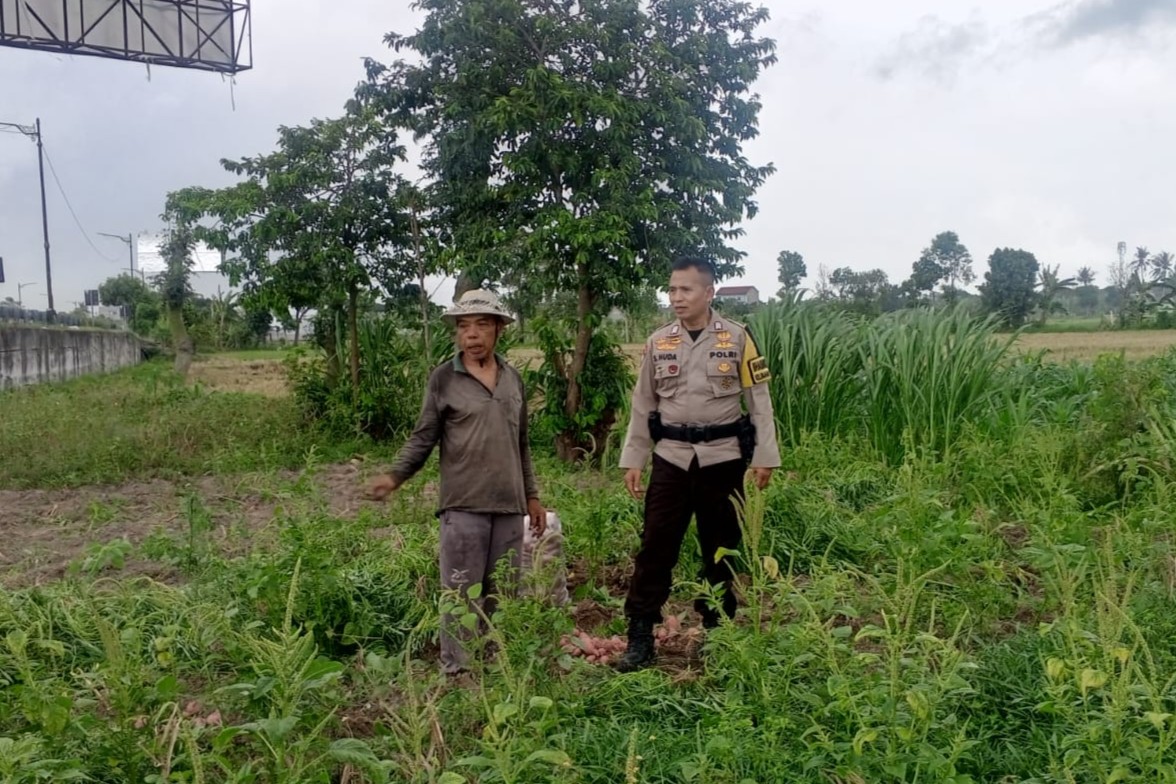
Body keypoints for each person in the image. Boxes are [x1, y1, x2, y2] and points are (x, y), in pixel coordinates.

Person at [614, 256, 781, 672]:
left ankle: (716, 629)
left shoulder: (738, 338)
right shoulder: (659, 342)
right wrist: (633, 457)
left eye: (685, 290)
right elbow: (643, 403)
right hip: (670, 458)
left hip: (722, 458)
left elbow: (759, 402)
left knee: (720, 548)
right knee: (655, 546)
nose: (676, 298)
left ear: (708, 293)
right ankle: (639, 634)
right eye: (672, 290)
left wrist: (764, 456)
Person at [367, 289, 545, 675]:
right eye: (464, 327)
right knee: (461, 594)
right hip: (463, 506)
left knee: (503, 593)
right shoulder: (444, 379)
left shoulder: (513, 380)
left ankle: (499, 669)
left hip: (510, 507)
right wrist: (395, 476)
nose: (472, 335)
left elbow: (522, 444)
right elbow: (423, 437)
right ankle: (458, 672)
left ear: (498, 329)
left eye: (482, 325)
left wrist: (532, 496)